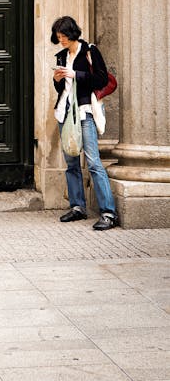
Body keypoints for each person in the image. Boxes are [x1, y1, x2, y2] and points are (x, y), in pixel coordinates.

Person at [51, 16, 118, 230]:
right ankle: (77, 206)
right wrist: (58, 80)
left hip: (84, 113)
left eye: (63, 36)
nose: (60, 39)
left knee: (94, 162)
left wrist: (75, 74)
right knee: (71, 163)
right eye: (58, 36)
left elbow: (101, 79)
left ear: (72, 33)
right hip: (65, 113)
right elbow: (61, 90)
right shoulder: (61, 56)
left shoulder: (89, 51)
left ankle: (108, 212)